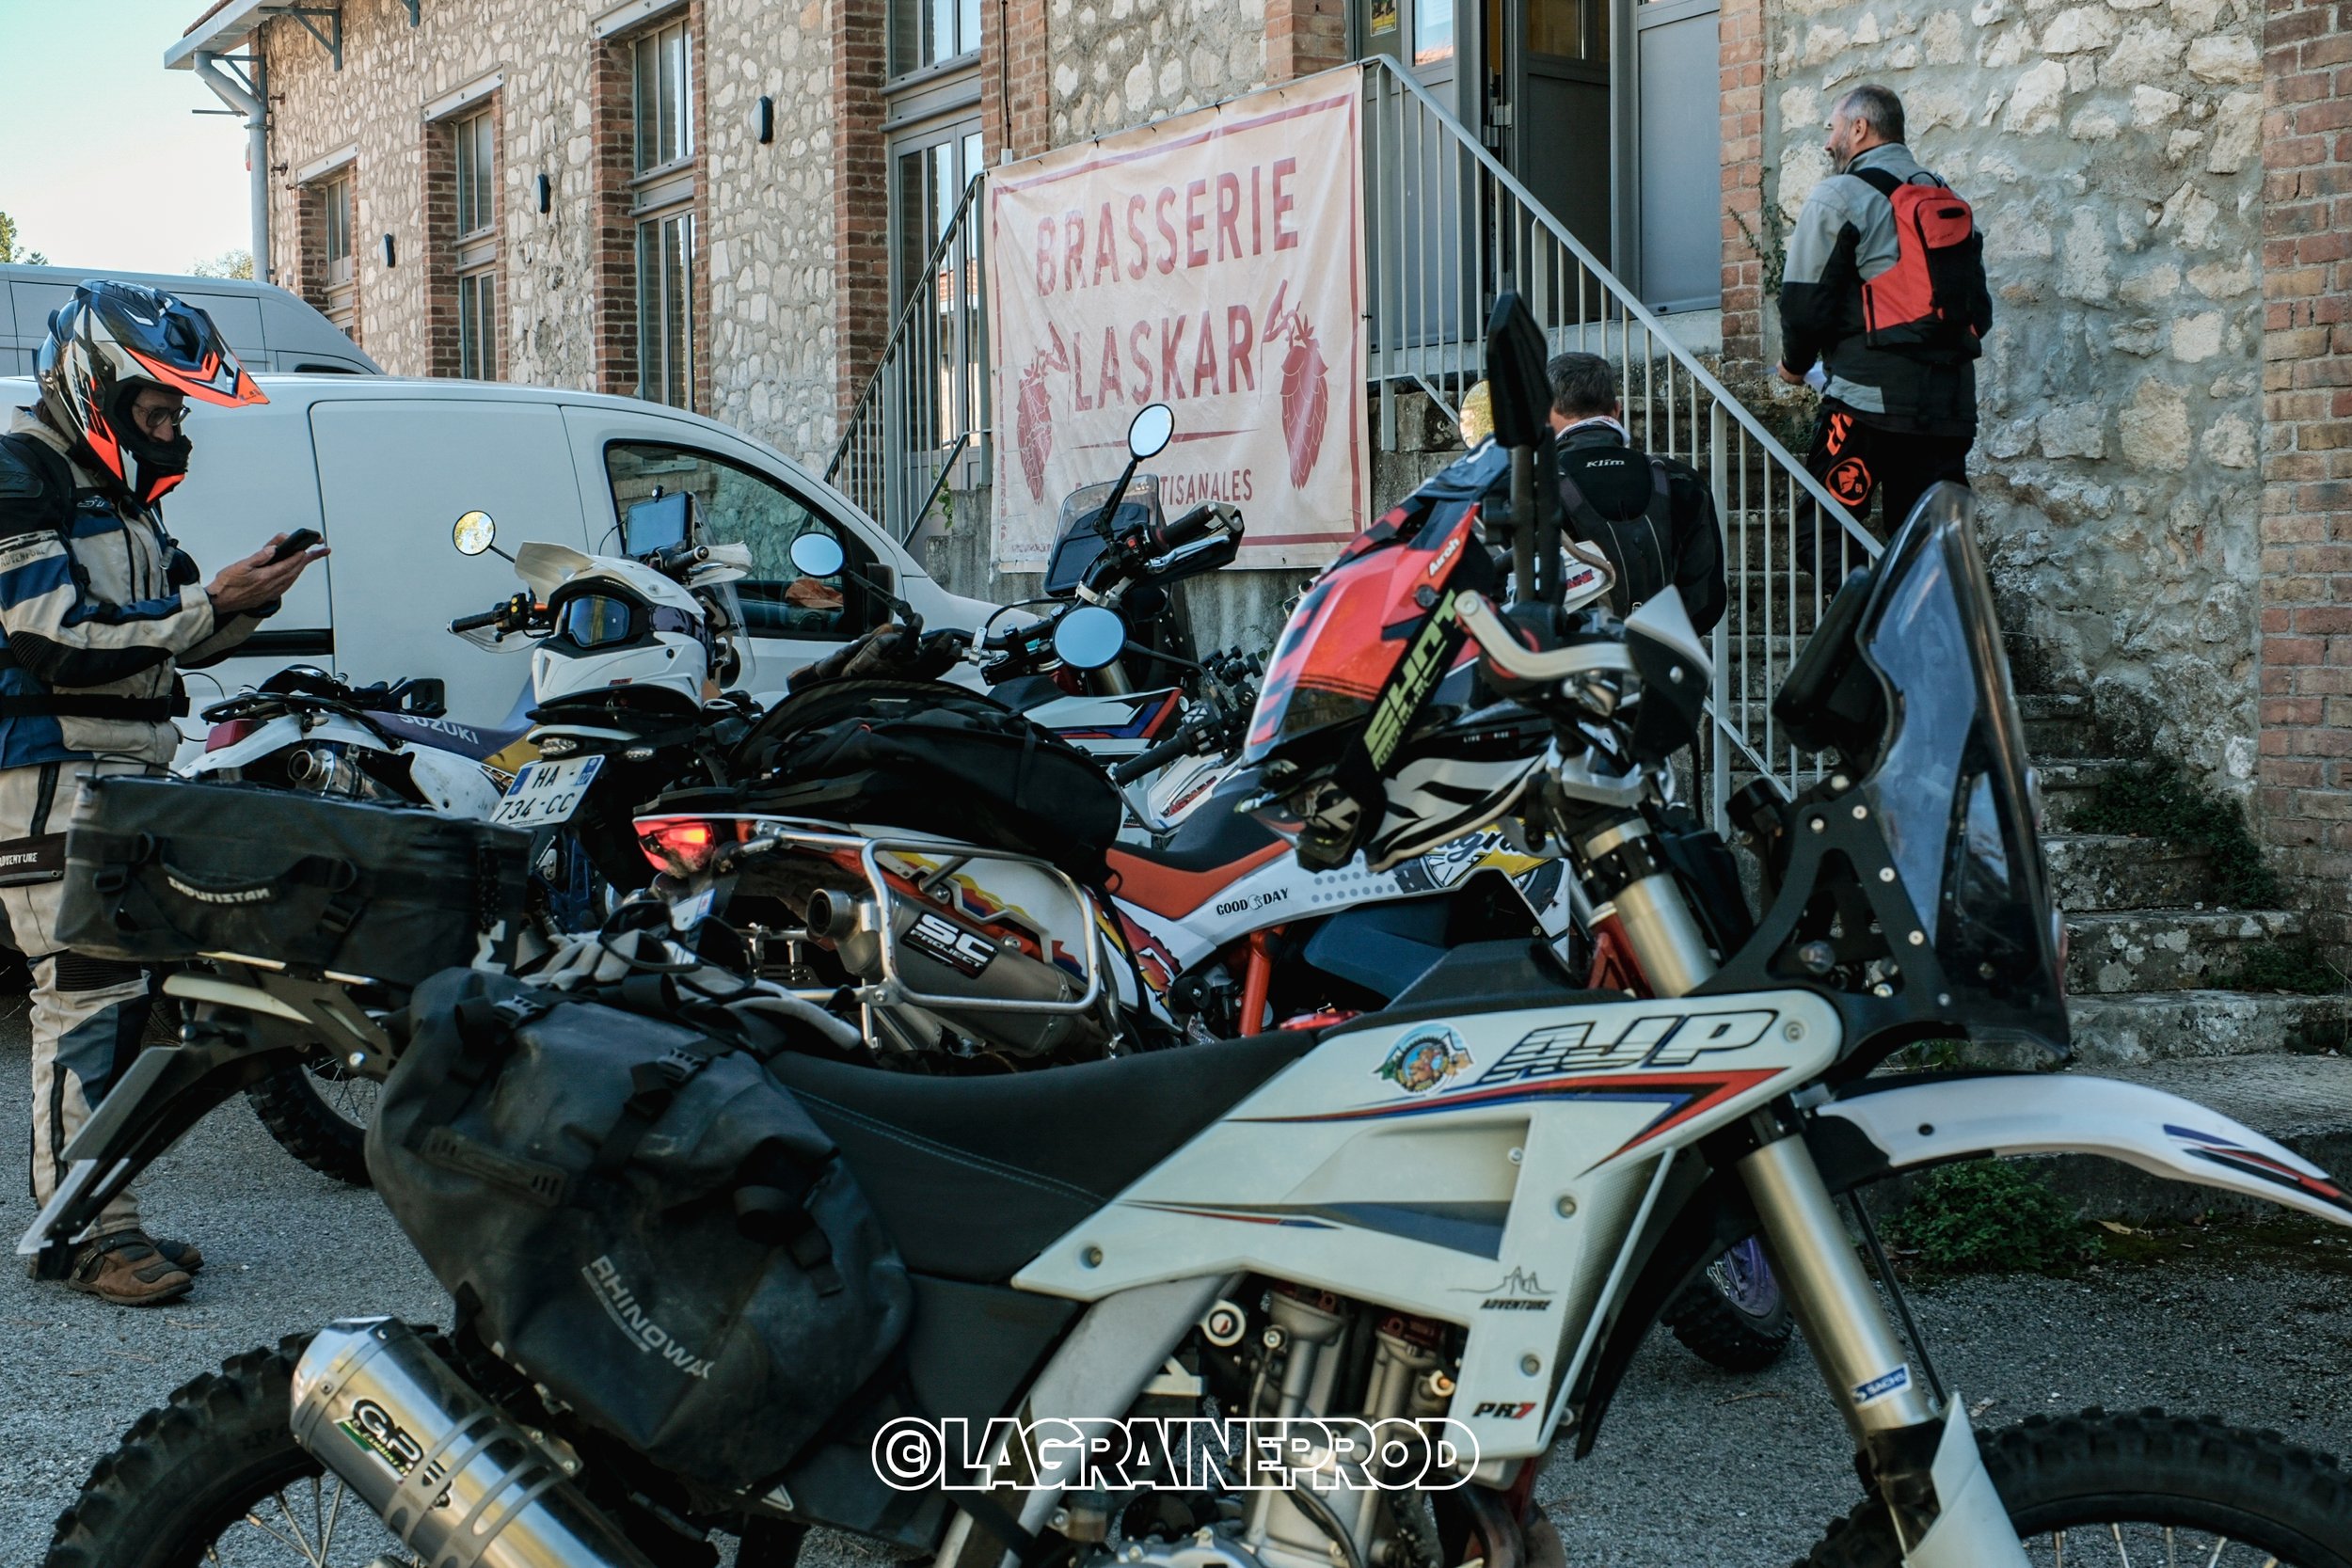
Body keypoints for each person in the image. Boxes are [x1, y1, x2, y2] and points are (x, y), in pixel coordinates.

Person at [0, 280, 323, 1305]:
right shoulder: (18, 474)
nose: (173, 426)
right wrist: (203, 604)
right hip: (51, 766)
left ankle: (102, 1215)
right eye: (158, 406)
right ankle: (84, 1234)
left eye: (177, 409)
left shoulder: (119, 493)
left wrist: (242, 601)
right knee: (85, 990)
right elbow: (49, 636)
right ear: (97, 385)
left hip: (123, 764)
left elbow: (172, 637)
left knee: (125, 997)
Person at [1776, 84, 1987, 576]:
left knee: (1822, 535)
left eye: (1832, 129)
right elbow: (1980, 312)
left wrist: (1793, 365)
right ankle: (1926, 624)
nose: (1827, 142)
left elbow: (1804, 304)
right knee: (1931, 548)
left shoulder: (1839, 195)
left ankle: (1863, 626)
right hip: (1948, 407)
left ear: (1859, 128)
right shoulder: (1946, 198)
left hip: (1867, 405)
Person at [1545, 352, 1726, 636]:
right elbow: (1707, 599)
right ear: (1616, 410)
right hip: (1662, 654)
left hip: (1563, 656)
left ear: (1546, 413)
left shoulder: (1532, 485)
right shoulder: (1682, 481)